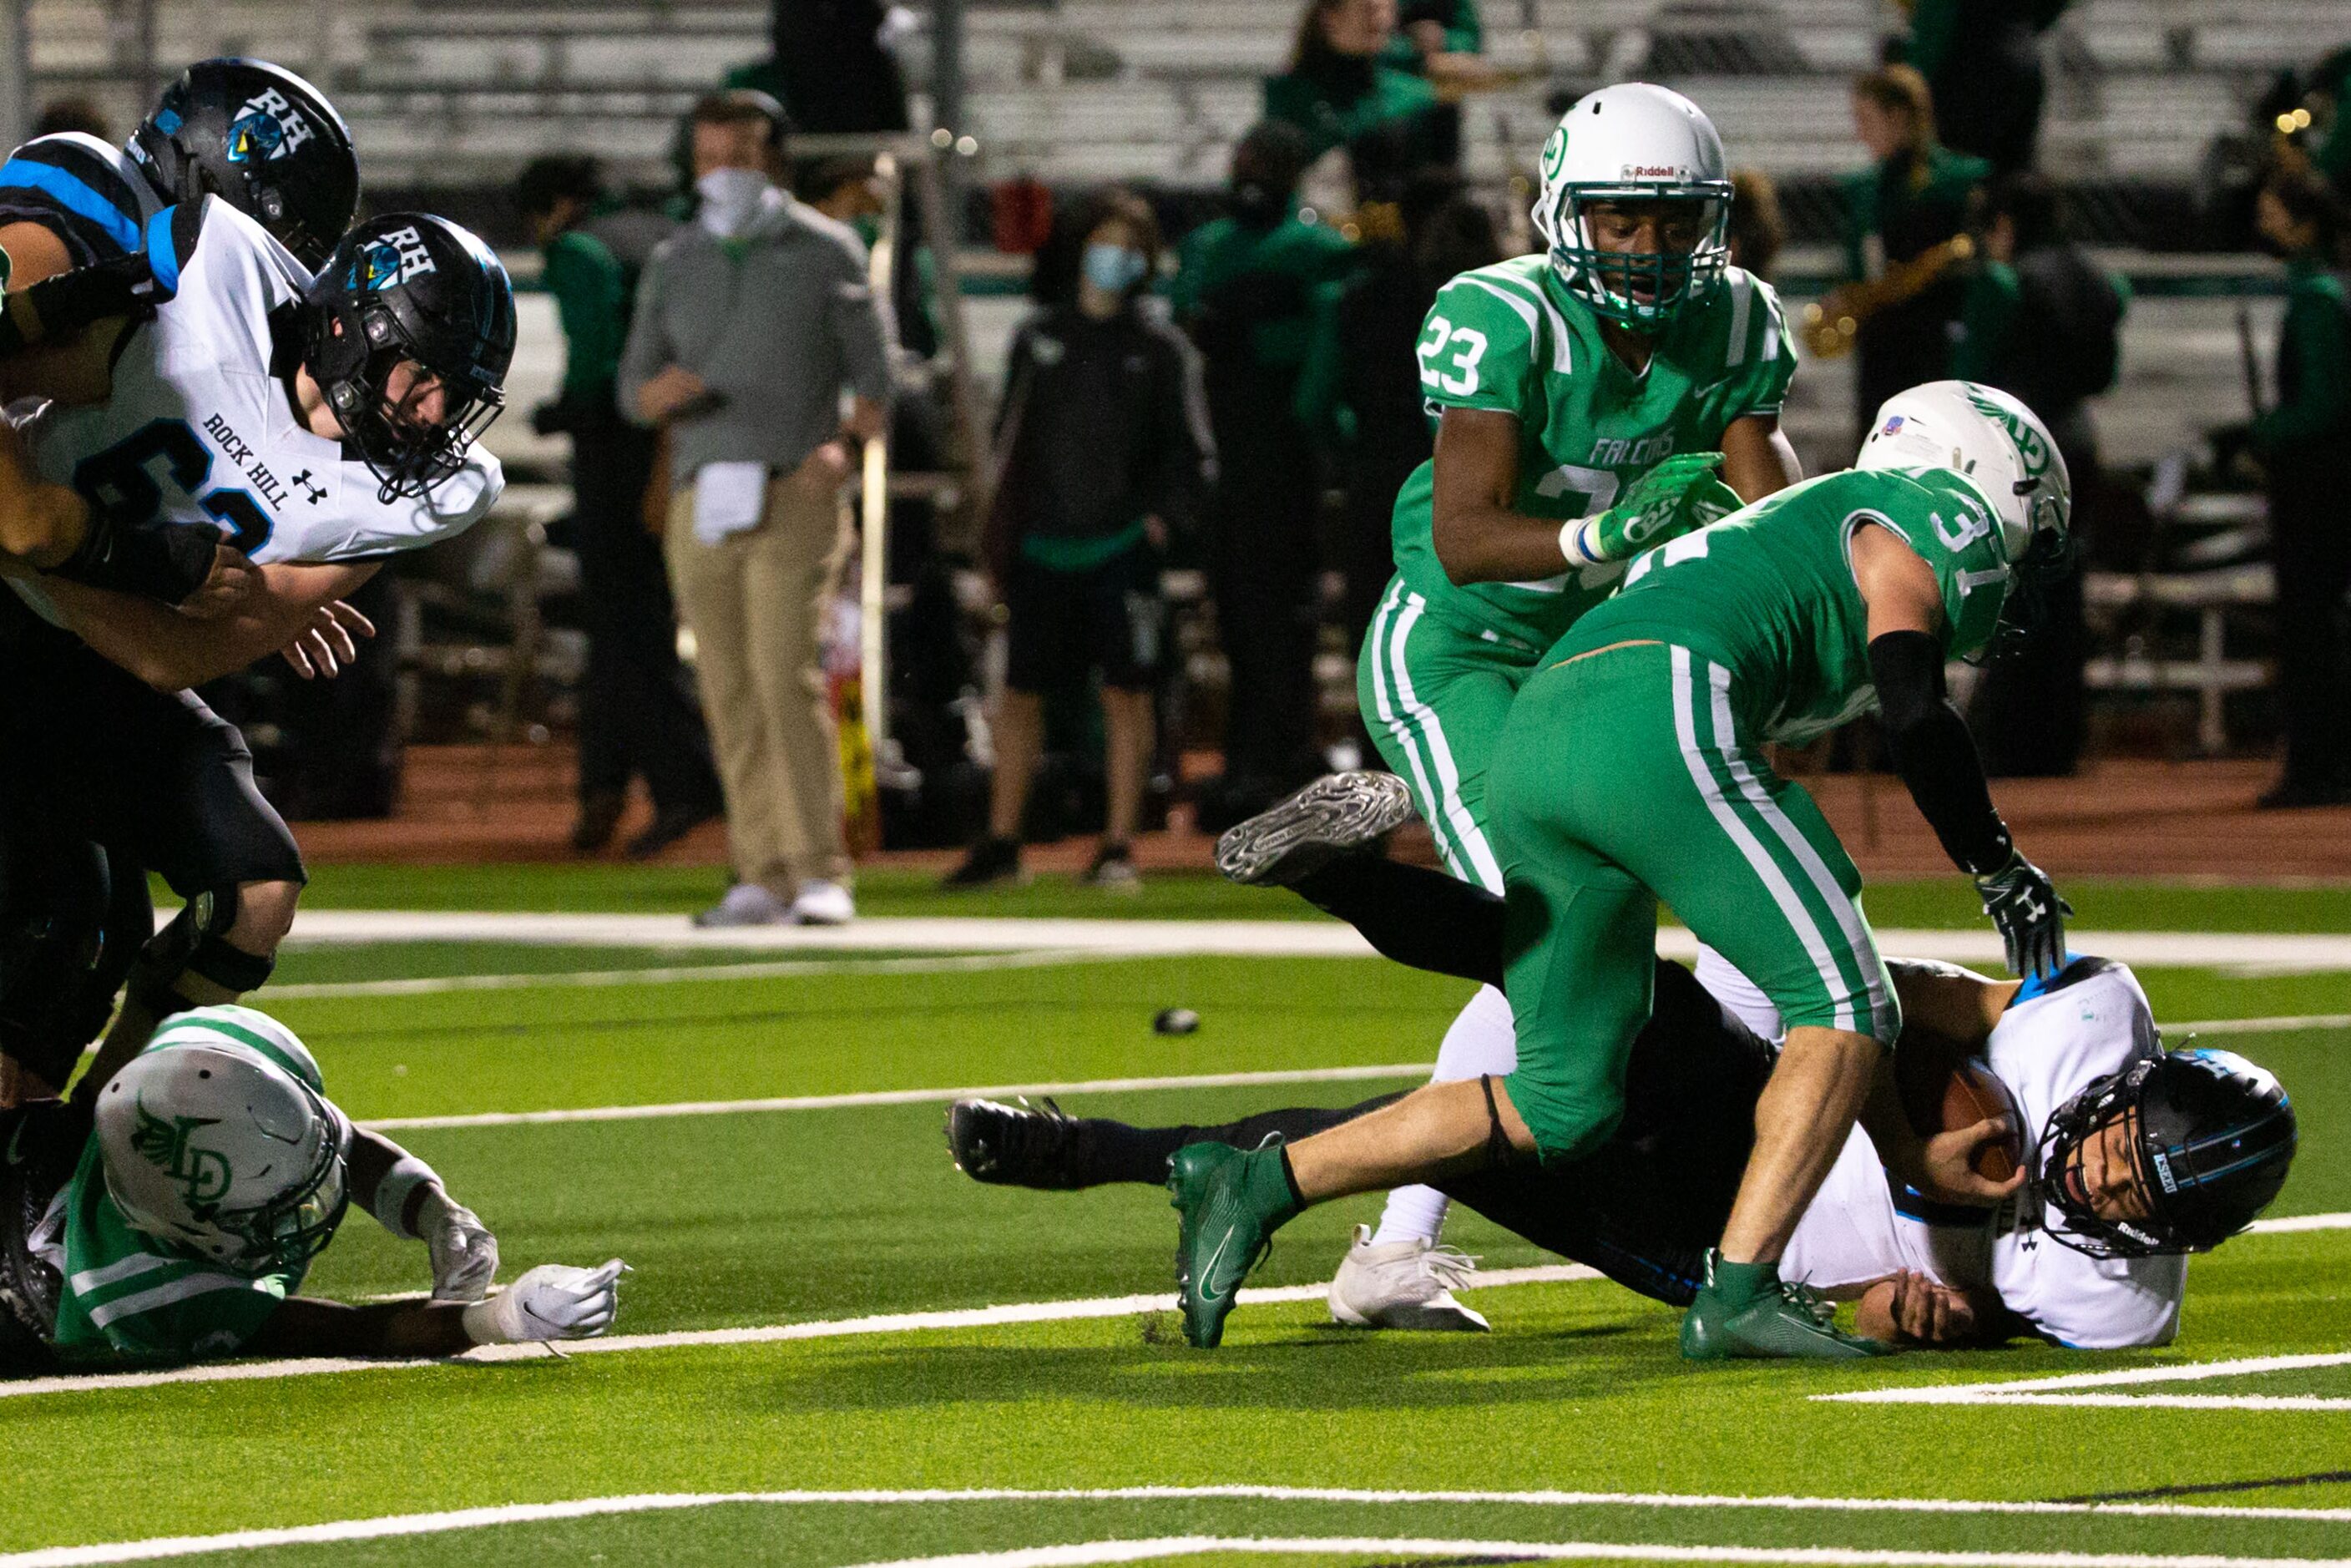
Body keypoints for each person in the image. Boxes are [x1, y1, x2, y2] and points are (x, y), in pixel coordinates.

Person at [1180, 382, 2076, 1358]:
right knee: (1847, 1000)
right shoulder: (1921, 510)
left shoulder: (1804, 521)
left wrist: (1903, 1147)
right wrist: (1994, 863)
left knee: (1565, 1102)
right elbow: (1913, 706)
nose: (2017, 570)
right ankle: (1736, 1295)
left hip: (1540, 735)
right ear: (1985, 480)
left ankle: (1261, 1180)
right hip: (1655, 706)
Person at [1240, 83, 1801, 1333]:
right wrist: (1615, 531)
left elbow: (1772, 519)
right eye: (1618, 220)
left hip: (1616, 659)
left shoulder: (1742, 322)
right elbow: (1468, 532)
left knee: (1589, 934)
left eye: (1673, 221)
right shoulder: (1500, 315)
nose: (1648, 248)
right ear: (1562, 214)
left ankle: (1394, 1248)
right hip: (1465, 646)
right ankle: (1346, 871)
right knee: (1544, 918)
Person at [952, 954, 2294, 1351]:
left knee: (1488, 1129)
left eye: (2133, 1202)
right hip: (1790, 1104)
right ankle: (1388, 1247)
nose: (2099, 1184)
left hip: (1736, 1245)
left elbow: (1945, 1320)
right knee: (1585, 994)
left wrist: (1886, 1315)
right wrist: (1901, 1121)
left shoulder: (2115, 1303)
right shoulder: (2080, 1030)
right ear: (2125, 1092)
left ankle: (1098, 1153)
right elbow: (1898, 988)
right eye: (2123, 1151)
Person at [619, 90, 894, 926]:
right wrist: (656, 395)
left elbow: (877, 376)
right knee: (728, 686)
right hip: (707, 489)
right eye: (708, 158)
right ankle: (759, 868)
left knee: (784, 676)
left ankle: (819, 868)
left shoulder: (825, 250)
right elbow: (632, 386)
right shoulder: (677, 259)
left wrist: (842, 448)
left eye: (737, 155)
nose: (723, 173)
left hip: (791, 484)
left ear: (770, 159)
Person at [0, 1005, 624, 1372]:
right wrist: (495, 1318)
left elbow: (341, 1142)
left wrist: (438, 1213)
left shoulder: (204, 1052)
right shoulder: (141, 1295)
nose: (314, 1200)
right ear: (187, 1230)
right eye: (272, 1207)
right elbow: (358, 1332)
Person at [943, 189, 1210, 892]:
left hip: (1120, 547)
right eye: (1104, 240)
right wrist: (1001, 536)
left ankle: (1119, 842)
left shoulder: (1161, 348)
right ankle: (1003, 840)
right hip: (1042, 547)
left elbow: (1190, 454)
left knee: (1126, 694)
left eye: (1130, 246)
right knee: (1020, 693)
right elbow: (1013, 444)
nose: (1114, 258)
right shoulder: (1040, 336)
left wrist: (1157, 524)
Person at [516, 155, 722, 858]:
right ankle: (602, 787)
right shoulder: (664, 229)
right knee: (629, 624)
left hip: (620, 448)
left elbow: (597, 351)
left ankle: (682, 786)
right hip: (687, 439)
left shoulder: (580, 249)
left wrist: (565, 409)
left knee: (628, 628)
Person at [1171, 122, 1358, 828]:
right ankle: (1248, 756)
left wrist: (1254, 337)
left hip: (1284, 456)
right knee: (1237, 615)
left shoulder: (1316, 249)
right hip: (1225, 449)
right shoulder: (1210, 246)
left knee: (1283, 616)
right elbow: (1186, 317)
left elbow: (1323, 339)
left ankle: (1278, 754)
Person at [1952, 172, 2126, 777]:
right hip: (2078, 434)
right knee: (2066, 586)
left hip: (2022, 441)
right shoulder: (2095, 280)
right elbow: (2105, 372)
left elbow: (1974, 369)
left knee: (2020, 584)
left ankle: (2010, 737)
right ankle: (2059, 734)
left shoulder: (2009, 282)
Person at [2245, 166, 2351, 808]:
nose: (2263, 220)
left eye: (2273, 209)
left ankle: (2316, 766)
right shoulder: (2329, 288)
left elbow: (2325, 401)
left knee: (2309, 626)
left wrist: (2261, 435)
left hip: (2316, 483)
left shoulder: (2314, 296)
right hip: (2328, 479)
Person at [1832, 66, 1989, 451]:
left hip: (1935, 343)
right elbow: (1859, 263)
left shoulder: (1957, 182)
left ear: (1898, 116)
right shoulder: (1865, 189)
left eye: (1867, 119)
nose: (1859, 132)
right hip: (1881, 347)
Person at [1263, 0, 1454, 201]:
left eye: (1385, 8)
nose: (1380, 18)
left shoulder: (1414, 96)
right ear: (1330, 17)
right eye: (1368, 9)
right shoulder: (1289, 93)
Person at [1905, 0, 2070, 177]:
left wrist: (1908, 85)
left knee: (1950, 179)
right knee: (2009, 182)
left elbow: (1932, 28)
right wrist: (2022, 30)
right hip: (2024, 60)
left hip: (1965, 74)